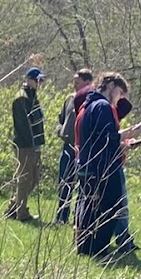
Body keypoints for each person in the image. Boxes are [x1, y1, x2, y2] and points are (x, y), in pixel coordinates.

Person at [75, 72, 134, 260]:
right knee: (112, 207)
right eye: (119, 93)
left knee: (90, 208)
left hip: (88, 166)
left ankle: (85, 248)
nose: (118, 99)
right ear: (110, 86)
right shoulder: (102, 106)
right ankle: (99, 249)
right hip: (103, 168)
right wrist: (124, 139)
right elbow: (106, 138)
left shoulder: (89, 105)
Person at [6, 68, 46, 222]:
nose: (39, 83)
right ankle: (21, 213)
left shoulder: (32, 96)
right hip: (25, 146)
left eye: (41, 80)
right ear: (29, 79)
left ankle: (12, 207)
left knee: (34, 179)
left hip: (34, 145)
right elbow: (24, 126)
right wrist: (32, 146)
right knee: (24, 180)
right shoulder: (21, 98)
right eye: (37, 80)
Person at [54, 68, 93, 225]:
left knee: (83, 185)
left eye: (78, 83)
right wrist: (60, 131)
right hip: (68, 147)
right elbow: (61, 119)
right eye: (74, 82)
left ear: (88, 83)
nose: (74, 85)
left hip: (83, 149)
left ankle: (80, 218)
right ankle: (61, 216)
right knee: (64, 182)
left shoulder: (91, 102)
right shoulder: (69, 99)